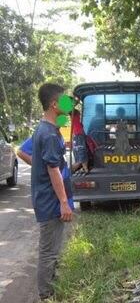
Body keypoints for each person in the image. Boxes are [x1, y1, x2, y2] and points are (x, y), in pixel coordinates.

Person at [31, 83, 74, 300]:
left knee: (53, 250)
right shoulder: (47, 134)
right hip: (50, 201)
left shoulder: (50, 129)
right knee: (48, 252)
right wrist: (64, 202)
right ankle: (46, 295)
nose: (68, 103)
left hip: (49, 198)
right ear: (54, 104)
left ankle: (51, 289)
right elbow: (53, 169)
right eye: (64, 100)